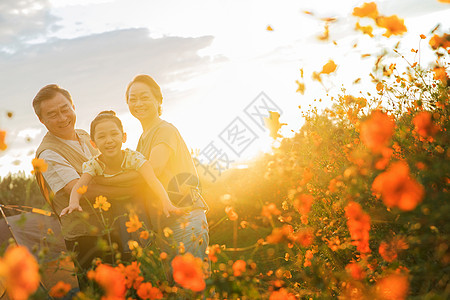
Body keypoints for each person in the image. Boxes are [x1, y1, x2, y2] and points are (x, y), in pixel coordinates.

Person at [33, 84, 144, 287]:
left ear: (73, 105)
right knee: (99, 291)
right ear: (42, 120)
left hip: (113, 226)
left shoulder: (85, 135)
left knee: (128, 287)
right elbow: (82, 189)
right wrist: (132, 188)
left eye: (65, 108)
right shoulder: (47, 153)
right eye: (52, 114)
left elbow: (107, 170)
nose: (62, 117)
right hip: (86, 239)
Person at [125, 75, 209, 264]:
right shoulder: (143, 138)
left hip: (184, 217)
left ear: (158, 100)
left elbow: (154, 168)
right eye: (133, 99)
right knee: (176, 288)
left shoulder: (164, 130)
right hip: (167, 220)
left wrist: (108, 182)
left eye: (145, 97)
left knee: (192, 286)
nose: (138, 103)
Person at [60, 110, 184, 236]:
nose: (109, 140)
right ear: (93, 143)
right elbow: (81, 185)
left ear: (123, 137)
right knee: (125, 240)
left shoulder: (133, 158)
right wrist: (74, 203)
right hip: (114, 205)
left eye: (114, 134)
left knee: (146, 234)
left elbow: (152, 180)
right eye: (102, 137)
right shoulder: (94, 164)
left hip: (139, 201)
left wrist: (166, 202)